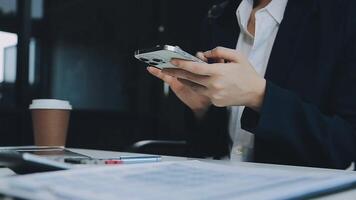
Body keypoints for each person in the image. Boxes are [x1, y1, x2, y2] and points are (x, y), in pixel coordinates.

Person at [147, 0, 356, 169]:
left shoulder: (342, 16)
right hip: (219, 184)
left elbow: (344, 147)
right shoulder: (219, 16)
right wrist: (201, 108)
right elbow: (210, 146)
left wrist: (260, 97)